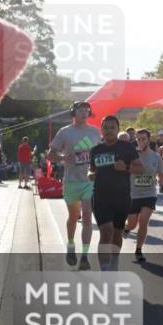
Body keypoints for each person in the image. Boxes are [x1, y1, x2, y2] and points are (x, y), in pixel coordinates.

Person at [48, 101, 102, 269]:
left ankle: (85, 256)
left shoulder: (95, 132)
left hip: (89, 181)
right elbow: (51, 155)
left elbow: (100, 153)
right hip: (71, 181)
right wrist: (64, 158)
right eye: (80, 110)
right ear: (73, 113)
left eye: (87, 110)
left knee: (87, 217)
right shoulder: (65, 132)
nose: (84, 113)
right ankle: (71, 245)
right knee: (73, 217)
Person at [88, 116, 143, 271]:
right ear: (101, 130)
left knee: (117, 233)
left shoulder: (127, 148)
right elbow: (91, 170)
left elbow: (140, 169)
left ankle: (113, 263)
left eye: (112, 127)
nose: (109, 131)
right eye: (105, 127)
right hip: (100, 196)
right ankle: (105, 272)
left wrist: (125, 168)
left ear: (117, 129)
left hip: (121, 197)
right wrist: (90, 174)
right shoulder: (96, 150)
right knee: (106, 232)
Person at [124, 129, 163, 262]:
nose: (141, 141)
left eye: (143, 139)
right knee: (132, 224)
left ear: (149, 139)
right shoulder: (132, 155)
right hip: (133, 194)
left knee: (143, 221)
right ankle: (127, 228)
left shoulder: (156, 157)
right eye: (138, 139)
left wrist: (162, 180)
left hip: (149, 194)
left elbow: (161, 173)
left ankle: (139, 250)